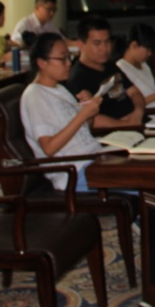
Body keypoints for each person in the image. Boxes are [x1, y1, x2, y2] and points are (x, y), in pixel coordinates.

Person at [19, 33, 106, 192]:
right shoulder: (35, 95)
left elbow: (83, 130)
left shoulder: (59, 89)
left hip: (93, 156)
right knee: (143, 181)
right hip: (75, 171)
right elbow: (49, 148)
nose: (68, 63)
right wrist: (82, 115)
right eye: (62, 59)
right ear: (42, 62)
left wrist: (88, 112)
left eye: (69, 57)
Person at [65, 15, 145, 128]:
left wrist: (138, 112)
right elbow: (88, 118)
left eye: (107, 42)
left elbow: (134, 92)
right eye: (97, 43)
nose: (104, 48)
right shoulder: (77, 78)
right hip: (114, 132)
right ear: (80, 45)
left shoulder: (110, 65)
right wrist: (125, 125)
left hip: (137, 122)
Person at [116, 23, 155, 109]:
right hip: (149, 113)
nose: (149, 54)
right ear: (134, 45)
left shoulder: (144, 65)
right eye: (148, 49)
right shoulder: (120, 68)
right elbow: (123, 107)